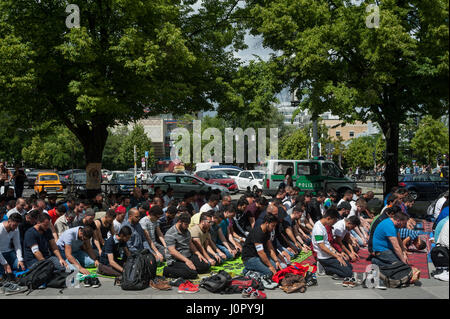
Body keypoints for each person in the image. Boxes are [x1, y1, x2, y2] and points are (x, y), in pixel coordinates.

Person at [162, 212, 210, 279]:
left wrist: (199, 254)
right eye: (186, 224)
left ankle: (188, 268)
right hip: (176, 260)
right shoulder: (170, 233)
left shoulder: (186, 231)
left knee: (205, 266)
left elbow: (190, 244)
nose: (187, 226)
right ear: (179, 222)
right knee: (192, 274)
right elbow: (172, 251)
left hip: (188, 255)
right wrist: (187, 261)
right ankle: (167, 270)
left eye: (188, 224)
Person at [312, 208, 353, 279]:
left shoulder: (323, 226)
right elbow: (322, 246)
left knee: (349, 266)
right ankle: (325, 268)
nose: (334, 223)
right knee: (348, 273)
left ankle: (329, 268)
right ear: (328, 218)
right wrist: (336, 256)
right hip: (324, 257)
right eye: (334, 221)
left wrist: (336, 253)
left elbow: (327, 243)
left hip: (329, 254)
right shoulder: (318, 228)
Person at [0, 213, 25, 279]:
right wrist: (5, 264)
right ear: (9, 221)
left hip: (9, 252)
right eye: (14, 225)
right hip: (0, 254)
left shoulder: (15, 229)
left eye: (17, 225)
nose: (16, 228)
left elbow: (17, 245)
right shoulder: (0, 229)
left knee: (21, 267)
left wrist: (20, 259)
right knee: (5, 273)